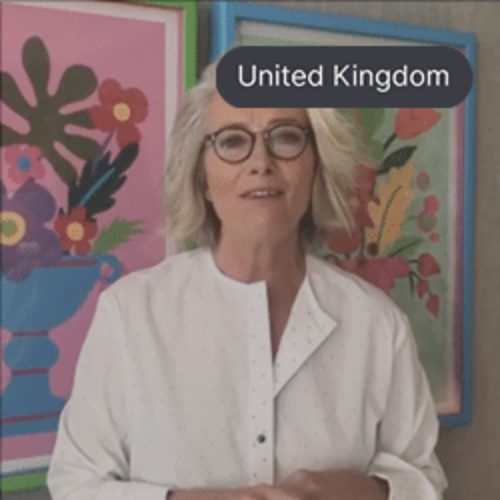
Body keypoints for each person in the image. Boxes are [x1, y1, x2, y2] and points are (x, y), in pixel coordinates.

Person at [47, 61, 447, 500]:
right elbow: (75, 485)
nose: (261, 162)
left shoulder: (377, 324)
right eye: (233, 140)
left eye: (286, 137)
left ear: (317, 165)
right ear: (202, 177)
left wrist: (360, 491)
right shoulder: (130, 314)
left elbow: (423, 478)